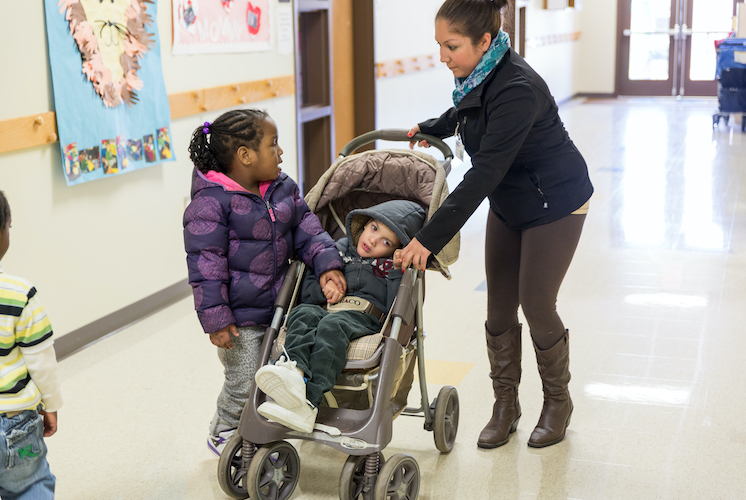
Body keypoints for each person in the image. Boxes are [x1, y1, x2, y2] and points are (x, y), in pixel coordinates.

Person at [400, 0, 593, 449]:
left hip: (556, 202)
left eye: (451, 46)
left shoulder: (519, 87)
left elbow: (483, 174)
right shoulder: (479, 71)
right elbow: (469, 110)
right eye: (439, 46)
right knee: (498, 308)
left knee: (536, 302)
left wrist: (427, 239)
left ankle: (557, 403)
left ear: (484, 41)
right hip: (511, 201)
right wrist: (434, 126)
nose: (443, 57)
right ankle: (506, 405)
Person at [183, 109, 346, 456]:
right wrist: (217, 320)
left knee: (279, 374)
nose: (281, 152)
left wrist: (328, 264)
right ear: (245, 155)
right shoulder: (210, 203)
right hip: (240, 319)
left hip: (281, 308)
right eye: (273, 145)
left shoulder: (283, 188)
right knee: (243, 383)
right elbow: (205, 265)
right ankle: (224, 428)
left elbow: (308, 230)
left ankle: (268, 424)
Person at [254, 200, 425, 433]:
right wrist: (324, 289)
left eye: (386, 241)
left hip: (364, 316)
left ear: (395, 248)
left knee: (332, 326)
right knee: (302, 312)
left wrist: (397, 272)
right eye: (374, 228)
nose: (373, 240)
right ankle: (293, 372)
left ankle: (309, 403)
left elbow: (395, 305)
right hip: (325, 306)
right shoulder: (337, 249)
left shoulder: (391, 267)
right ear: (364, 225)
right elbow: (309, 286)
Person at [0, 190, 63, 499]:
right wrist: (51, 404)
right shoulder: (19, 294)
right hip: (13, 422)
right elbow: (41, 362)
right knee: (28, 488)